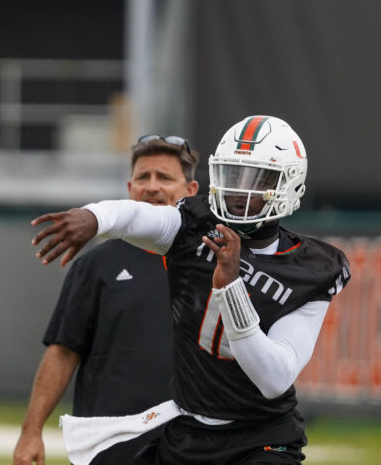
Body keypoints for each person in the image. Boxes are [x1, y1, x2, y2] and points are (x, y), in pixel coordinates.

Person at [31, 115, 351, 464]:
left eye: (256, 179)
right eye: (232, 174)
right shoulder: (193, 225)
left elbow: (274, 378)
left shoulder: (312, 268)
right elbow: (138, 217)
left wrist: (231, 290)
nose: (238, 191)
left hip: (262, 436)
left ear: (288, 184)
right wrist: (94, 217)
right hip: (192, 429)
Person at [13, 135, 201, 465]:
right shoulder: (97, 264)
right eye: (144, 177)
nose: (153, 187)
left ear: (191, 190)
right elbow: (63, 351)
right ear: (129, 187)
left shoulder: (212, 264)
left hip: (192, 444)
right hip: (110, 444)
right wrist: (31, 432)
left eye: (165, 177)